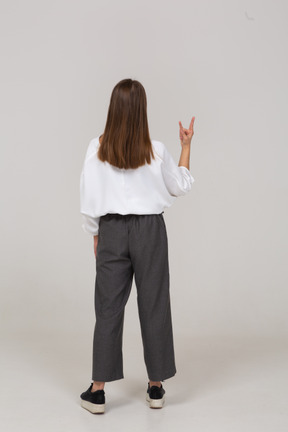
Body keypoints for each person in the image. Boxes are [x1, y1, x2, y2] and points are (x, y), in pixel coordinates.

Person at [79, 78, 195, 414]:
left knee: (108, 308)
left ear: (113, 109)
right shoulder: (156, 149)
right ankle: (156, 387)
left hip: (112, 229)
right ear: (142, 109)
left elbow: (88, 199)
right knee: (154, 303)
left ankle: (98, 391)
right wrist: (186, 145)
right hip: (150, 231)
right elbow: (181, 186)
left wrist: (95, 234)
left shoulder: (96, 147)